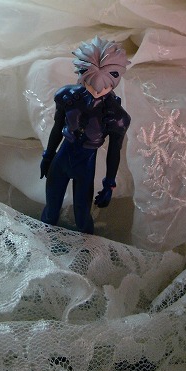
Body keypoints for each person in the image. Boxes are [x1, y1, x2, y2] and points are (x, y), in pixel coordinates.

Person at [40, 36, 131, 234]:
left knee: (82, 216)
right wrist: (48, 156)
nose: (97, 91)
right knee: (50, 210)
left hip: (85, 166)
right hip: (61, 159)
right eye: (90, 83)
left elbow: (114, 152)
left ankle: (87, 248)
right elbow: (57, 128)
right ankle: (42, 241)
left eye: (105, 86)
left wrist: (109, 183)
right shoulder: (67, 96)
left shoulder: (116, 116)